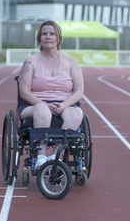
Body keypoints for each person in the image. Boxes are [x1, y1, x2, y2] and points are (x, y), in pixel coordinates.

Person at [18, 20, 84, 169]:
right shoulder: (31, 61)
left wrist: (64, 104)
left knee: (77, 113)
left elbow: (79, 91)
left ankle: (55, 155)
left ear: (58, 38)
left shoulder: (71, 62)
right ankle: (41, 157)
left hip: (64, 103)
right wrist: (45, 104)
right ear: (39, 38)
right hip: (34, 104)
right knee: (42, 109)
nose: (48, 37)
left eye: (52, 34)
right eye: (44, 34)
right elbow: (24, 92)